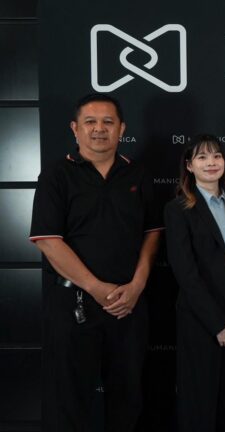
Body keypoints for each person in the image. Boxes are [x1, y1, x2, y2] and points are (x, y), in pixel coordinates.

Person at [29, 93, 162, 431]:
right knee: (68, 402)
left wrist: (137, 286)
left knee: (129, 400)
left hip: (128, 306)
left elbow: (152, 233)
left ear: (122, 129)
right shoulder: (56, 175)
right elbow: (48, 240)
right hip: (73, 304)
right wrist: (96, 288)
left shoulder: (138, 175)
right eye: (90, 122)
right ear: (75, 129)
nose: (99, 129)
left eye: (107, 122)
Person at [164, 135, 225, 432]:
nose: (211, 162)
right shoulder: (178, 209)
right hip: (200, 316)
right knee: (199, 402)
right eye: (202, 157)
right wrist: (217, 324)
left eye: (216, 156)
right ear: (189, 166)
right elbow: (185, 272)